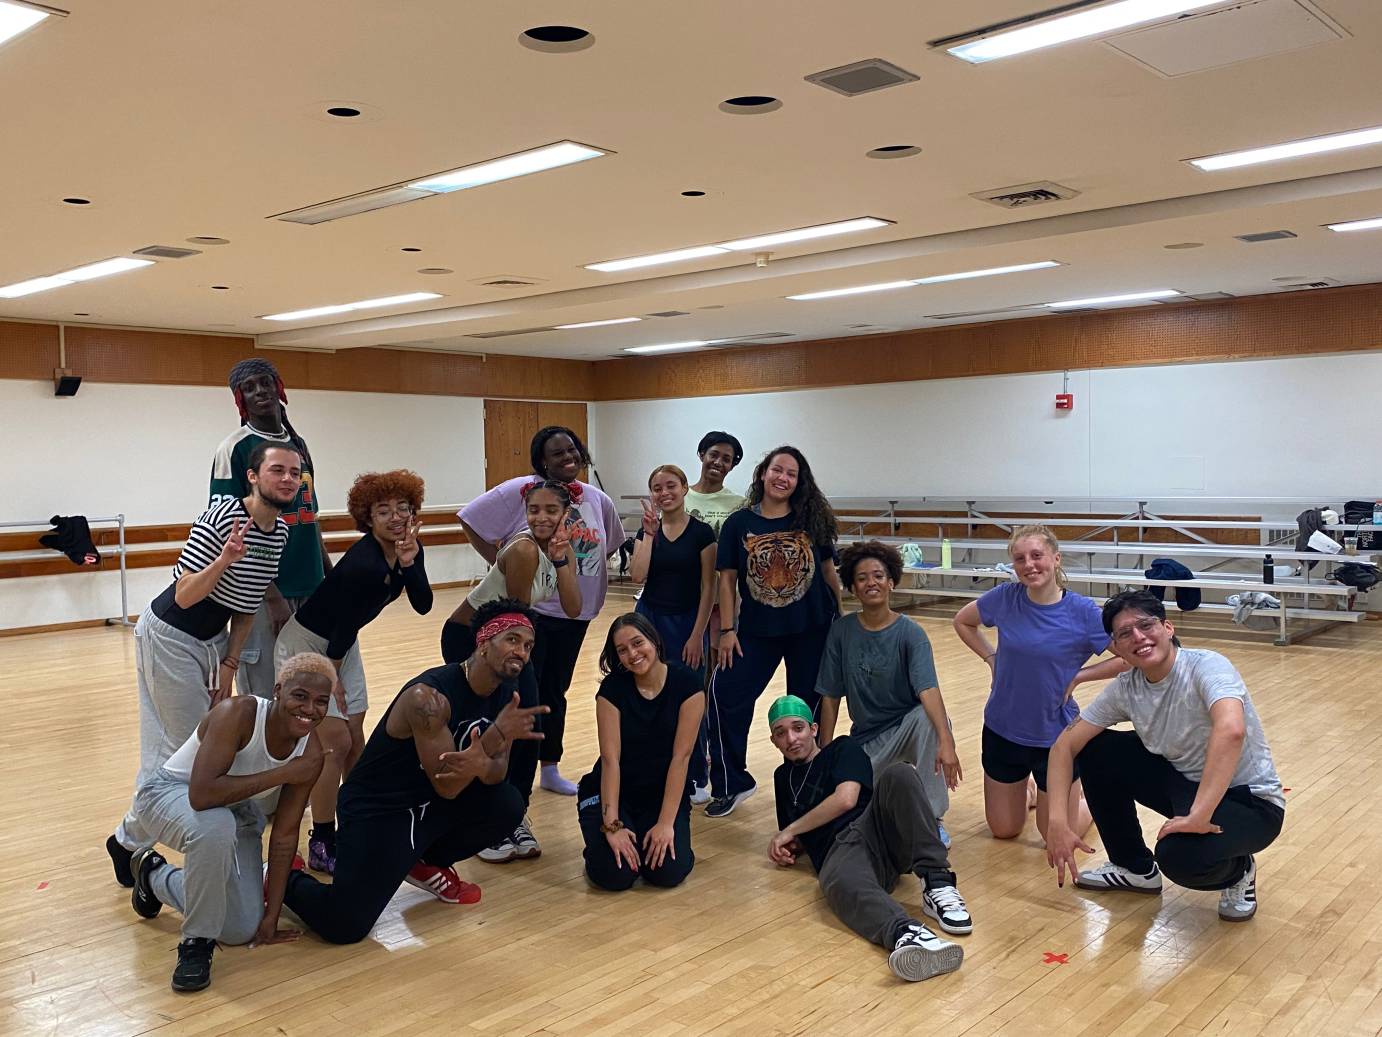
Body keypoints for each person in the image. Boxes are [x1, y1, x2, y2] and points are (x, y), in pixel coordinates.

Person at [281, 599, 546, 945]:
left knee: (508, 804)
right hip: (378, 809)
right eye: (512, 640)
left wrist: (482, 762)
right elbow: (447, 786)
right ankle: (285, 877)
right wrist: (491, 744)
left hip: (427, 804)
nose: (522, 652)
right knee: (345, 924)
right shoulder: (429, 699)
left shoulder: (508, 693)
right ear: (483, 643)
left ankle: (424, 862)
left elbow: (496, 773)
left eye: (528, 645)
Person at [107, 440, 300, 887]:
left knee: (169, 752)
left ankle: (127, 841)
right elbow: (186, 593)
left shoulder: (281, 533)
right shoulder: (222, 517)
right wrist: (225, 559)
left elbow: (248, 602)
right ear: (253, 476)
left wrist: (230, 664)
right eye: (278, 470)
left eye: (295, 472)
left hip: (212, 641)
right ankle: (147, 841)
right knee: (193, 753)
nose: (288, 478)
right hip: (172, 634)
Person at [1045, 591, 1285, 922]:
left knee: (1180, 859)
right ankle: (1133, 867)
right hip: (1185, 784)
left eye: (1145, 625)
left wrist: (1200, 814)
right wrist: (1057, 821)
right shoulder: (1127, 687)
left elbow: (1231, 730)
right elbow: (1064, 746)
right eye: (1125, 633)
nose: (1138, 637)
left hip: (1250, 802)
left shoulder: (1206, 665)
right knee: (1096, 748)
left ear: (1168, 627)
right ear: (1116, 645)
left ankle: (1239, 871)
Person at [126, 653, 334, 992]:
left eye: (321, 702)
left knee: (239, 928)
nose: (310, 709)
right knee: (215, 825)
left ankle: (153, 875)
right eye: (300, 696)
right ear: (278, 690)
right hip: (167, 794)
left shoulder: (310, 753)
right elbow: (202, 795)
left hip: (236, 812)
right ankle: (196, 944)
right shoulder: (238, 713)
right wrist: (283, 773)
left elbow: (283, 835)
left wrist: (271, 914)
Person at [273, 470, 433, 873]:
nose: (395, 517)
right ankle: (322, 840)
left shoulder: (408, 547)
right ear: (368, 518)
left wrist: (412, 562)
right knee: (334, 745)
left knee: (354, 740)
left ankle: (361, 821)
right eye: (384, 511)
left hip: (343, 643)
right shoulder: (363, 563)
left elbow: (424, 604)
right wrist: (332, 683)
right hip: (309, 647)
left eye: (403, 508)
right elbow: (339, 631)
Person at [458, 426, 623, 799]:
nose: (568, 458)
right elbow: (470, 518)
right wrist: (500, 561)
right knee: (521, 693)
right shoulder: (522, 489)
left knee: (555, 691)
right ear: (542, 461)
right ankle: (507, 776)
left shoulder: (597, 499)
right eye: (557, 454)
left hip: (575, 613)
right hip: (535, 612)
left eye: (572, 451)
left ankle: (549, 766)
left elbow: (608, 545)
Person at [767, 695, 969, 983]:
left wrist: (788, 831)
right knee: (837, 883)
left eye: (797, 728)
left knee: (900, 774)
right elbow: (798, 833)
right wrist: (787, 847)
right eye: (781, 733)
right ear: (773, 741)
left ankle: (937, 882)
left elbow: (846, 799)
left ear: (813, 729)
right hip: (841, 854)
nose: (791, 738)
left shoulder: (842, 749)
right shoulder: (781, 778)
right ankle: (910, 935)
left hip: (875, 829)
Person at [952, 524, 1127, 844]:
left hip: (1056, 737)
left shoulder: (1084, 612)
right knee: (1005, 831)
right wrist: (992, 658)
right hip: (1003, 730)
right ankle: (1030, 789)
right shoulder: (1005, 598)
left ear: (1056, 558)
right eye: (1020, 559)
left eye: (1037, 556)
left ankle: (1083, 802)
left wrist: (1080, 676)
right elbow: (963, 621)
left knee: (1059, 835)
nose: (1029, 565)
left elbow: (1128, 657)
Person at [440, 478, 580, 862]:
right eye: (534, 509)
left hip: (510, 639)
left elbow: (572, 606)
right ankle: (484, 820)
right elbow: (516, 617)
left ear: (566, 514)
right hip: (474, 639)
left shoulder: (558, 549)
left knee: (528, 726)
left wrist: (565, 559)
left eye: (552, 510)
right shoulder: (522, 549)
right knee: (494, 726)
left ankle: (513, 814)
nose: (542, 517)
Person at [707, 445, 844, 818]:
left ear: (799, 482)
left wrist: (841, 622)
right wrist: (727, 630)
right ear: (763, 473)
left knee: (805, 711)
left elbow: (830, 573)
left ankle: (808, 784)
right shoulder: (739, 523)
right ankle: (731, 782)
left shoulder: (811, 520)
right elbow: (728, 579)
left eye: (791, 474)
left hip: (812, 629)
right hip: (754, 630)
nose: (783, 478)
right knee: (724, 694)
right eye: (777, 470)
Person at [817, 540, 961, 847]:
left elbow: (928, 688)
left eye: (879, 575)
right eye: (862, 577)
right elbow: (830, 696)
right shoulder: (841, 632)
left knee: (928, 718)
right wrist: (824, 756)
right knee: (853, 811)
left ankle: (931, 820)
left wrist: (946, 742)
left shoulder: (911, 633)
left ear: (892, 582)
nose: (871, 582)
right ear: (852, 588)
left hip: (907, 728)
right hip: (866, 742)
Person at [210, 358, 331, 699]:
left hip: (310, 583)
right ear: (240, 400)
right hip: (263, 593)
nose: (259, 391)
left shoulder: (299, 444)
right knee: (265, 692)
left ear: (279, 388)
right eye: (249, 388)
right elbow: (229, 526)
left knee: (307, 685)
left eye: (265, 382)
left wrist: (329, 574)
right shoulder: (234, 448)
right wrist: (271, 593)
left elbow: (311, 516)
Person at [578, 614, 705, 890]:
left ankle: (667, 836)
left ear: (654, 641)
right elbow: (611, 761)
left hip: (659, 794)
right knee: (615, 875)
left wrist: (666, 824)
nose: (632, 654)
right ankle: (595, 842)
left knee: (667, 872)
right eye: (622, 650)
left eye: (638, 643)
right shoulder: (612, 690)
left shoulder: (688, 685)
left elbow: (680, 758)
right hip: (614, 791)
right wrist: (612, 826)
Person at [631, 464, 716, 801]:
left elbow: (708, 589)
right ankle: (655, 767)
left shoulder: (702, 533)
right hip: (649, 620)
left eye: (670, 486)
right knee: (647, 694)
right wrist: (649, 534)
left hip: (687, 624)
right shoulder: (646, 531)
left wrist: (697, 636)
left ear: (684, 488)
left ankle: (697, 774)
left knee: (690, 697)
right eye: (656, 488)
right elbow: (638, 577)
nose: (663, 493)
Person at [684, 431, 745, 536]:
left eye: (726, 459)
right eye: (713, 455)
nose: (718, 462)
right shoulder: (680, 495)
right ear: (702, 455)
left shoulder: (740, 504)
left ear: (731, 466)